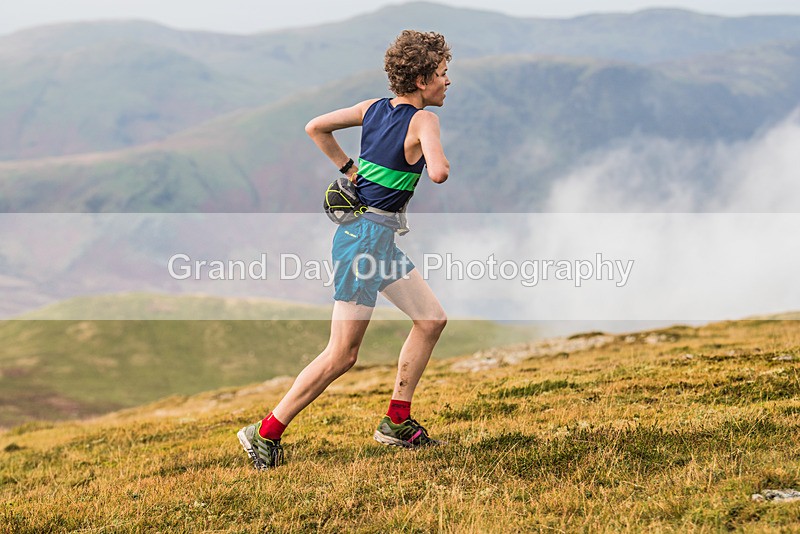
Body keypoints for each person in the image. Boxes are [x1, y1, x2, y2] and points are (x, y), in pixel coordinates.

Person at [238, 30, 451, 469]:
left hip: (371, 237)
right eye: (444, 75)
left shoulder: (370, 108)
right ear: (423, 79)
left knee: (430, 320)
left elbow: (315, 126)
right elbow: (440, 174)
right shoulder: (424, 121)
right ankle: (264, 432)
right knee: (342, 354)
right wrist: (432, 158)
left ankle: (396, 422)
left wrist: (349, 169)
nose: (448, 83)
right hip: (363, 242)